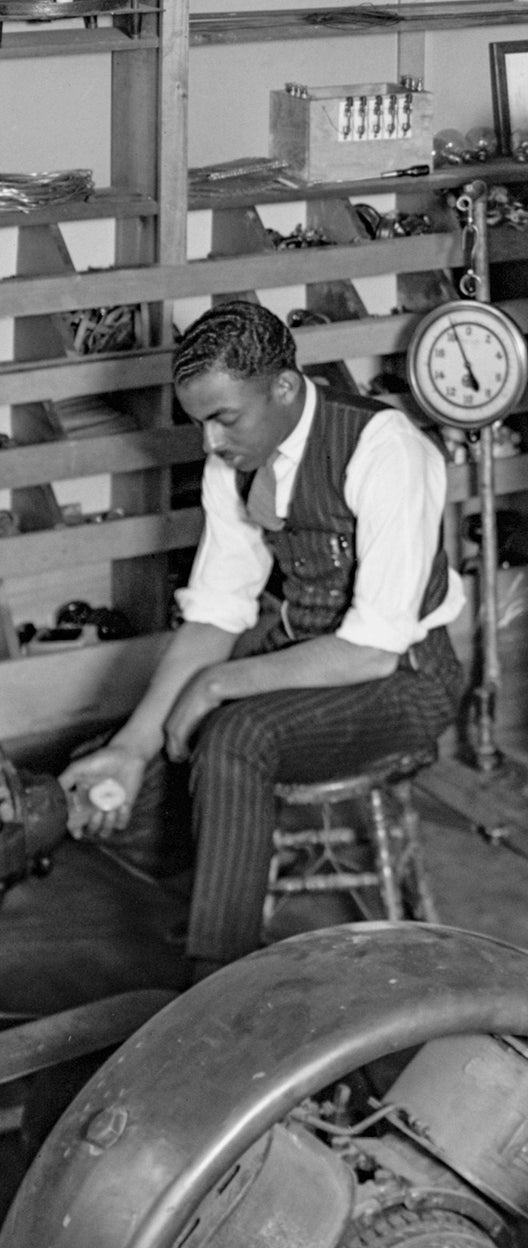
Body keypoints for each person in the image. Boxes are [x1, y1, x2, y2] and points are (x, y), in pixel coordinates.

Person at [61, 301, 464, 982]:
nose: (211, 445)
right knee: (114, 765)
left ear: (283, 387)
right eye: (199, 423)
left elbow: (372, 647)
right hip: (303, 652)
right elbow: (218, 613)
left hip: (405, 679)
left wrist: (215, 685)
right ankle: (223, 889)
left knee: (235, 736)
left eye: (224, 419)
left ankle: (218, 978)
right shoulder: (235, 462)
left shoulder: (384, 447)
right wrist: (130, 749)